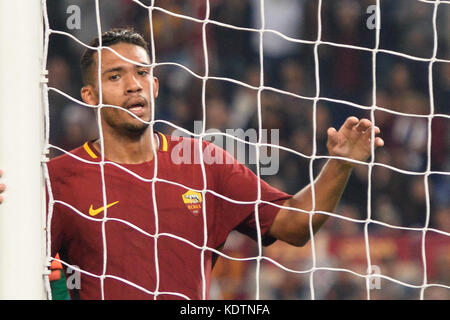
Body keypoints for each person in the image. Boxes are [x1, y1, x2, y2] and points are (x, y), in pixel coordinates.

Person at [0, 28, 384, 300]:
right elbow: (22, 267)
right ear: (89, 95)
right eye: (115, 76)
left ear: (155, 85)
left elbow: (295, 226)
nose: (133, 84)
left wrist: (340, 164)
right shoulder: (58, 179)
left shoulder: (203, 162)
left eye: (142, 72)